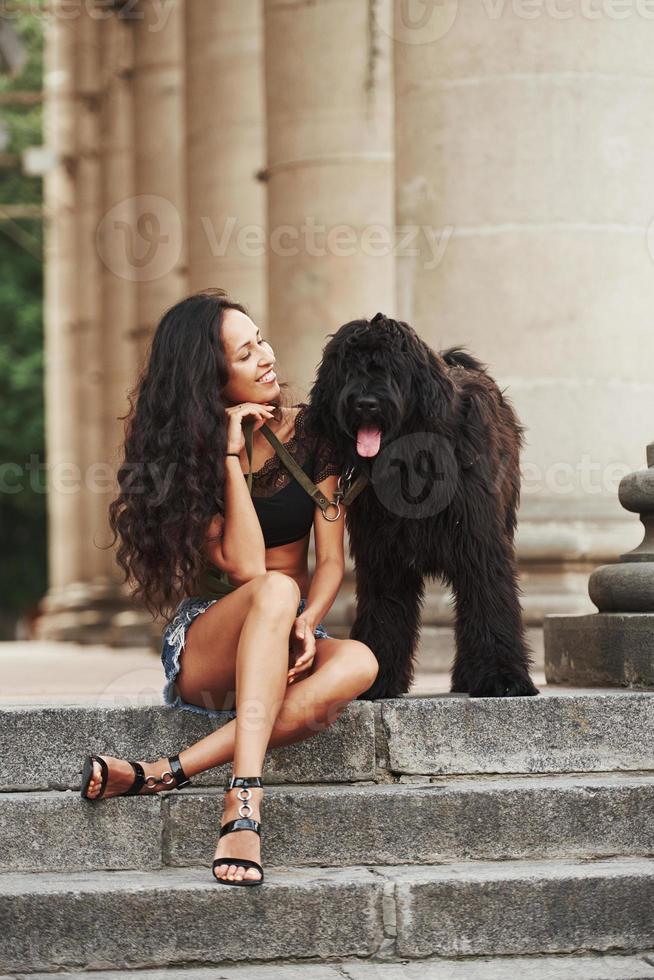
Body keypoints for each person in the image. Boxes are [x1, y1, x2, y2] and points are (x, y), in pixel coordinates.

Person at [80, 288, 379, 888]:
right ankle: (243, 802)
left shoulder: (314, 436)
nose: (267, 357)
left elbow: (328, 562)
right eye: (246, 354)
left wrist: (308, 619)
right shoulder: (185, 458)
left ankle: (163, 770)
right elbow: (246, 567)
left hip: (289, 624)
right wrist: (230, 451)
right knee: (271, 589)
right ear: (210, 379)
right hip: (209, 641)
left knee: (360, 663)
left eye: (261, 339)